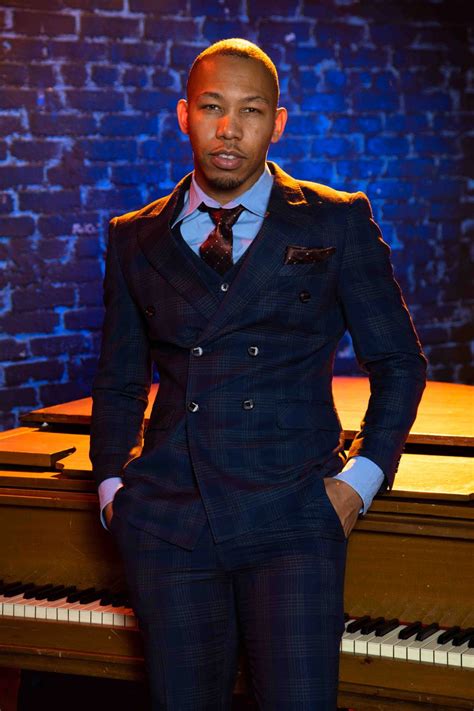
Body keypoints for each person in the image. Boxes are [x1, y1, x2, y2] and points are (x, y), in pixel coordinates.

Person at [90, 38, 427, 710]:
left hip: (294, 517)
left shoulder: (336, 221)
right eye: (212, 106)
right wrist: (111, 490)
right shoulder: (134, 235)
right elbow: (119, 378)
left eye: (250, 110)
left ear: (277, 123)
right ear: (184, 115)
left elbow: (399, 362)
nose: (229, 128)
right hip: (168, 524)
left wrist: (357, 484)